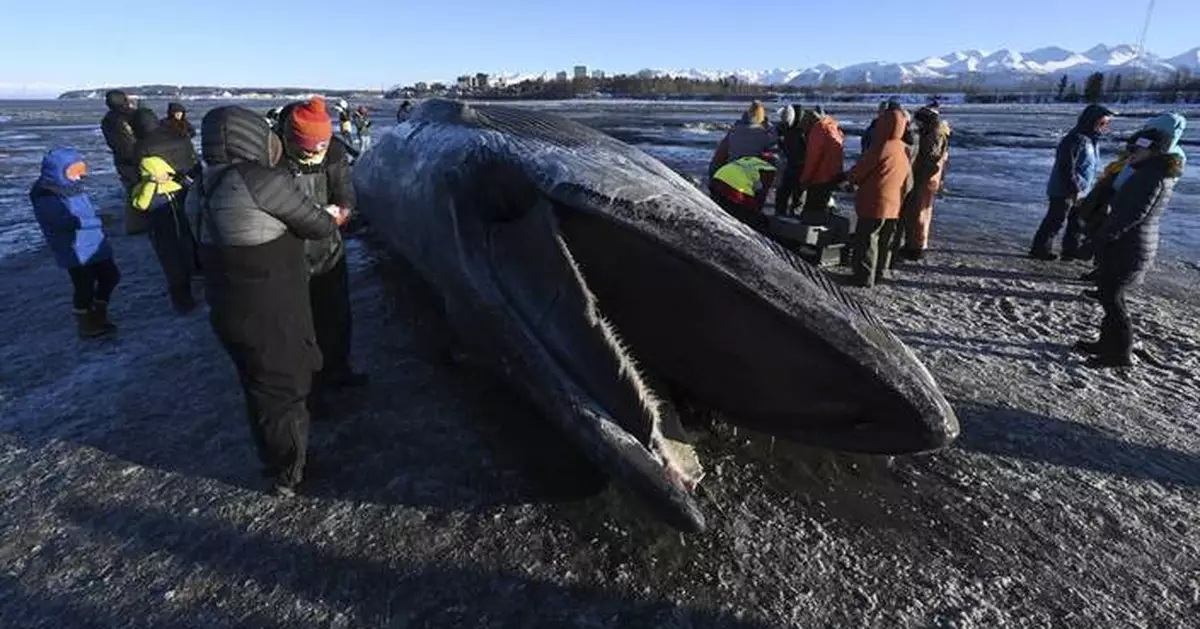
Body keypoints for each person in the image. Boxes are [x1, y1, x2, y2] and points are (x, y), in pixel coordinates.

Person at [186, 105, 344, 496]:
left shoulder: (200, 186)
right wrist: (329, 213)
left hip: (227, 304)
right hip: (270, 306)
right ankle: (289, 472)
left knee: (257, 384)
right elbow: (318, 225)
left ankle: (280, 458)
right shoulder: (261, 179)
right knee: (282, 389)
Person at [1075, 113, 1185, 368]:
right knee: (1109, 295)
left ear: (1152, 151)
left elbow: (1129, 217)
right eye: (1129, 148)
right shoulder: (1151, 172)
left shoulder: (1151, 177)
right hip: (1130, 245)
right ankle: (1107, 344)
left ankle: (1120, 353)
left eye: (1135, 149)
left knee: (1113, 301)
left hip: (1129, 248)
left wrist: (1097, 241)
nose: (1130, 153)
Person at [277, 96, 368, 393]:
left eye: (321, 148)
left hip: (328, 249)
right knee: (301, 324)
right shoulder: (273, 157)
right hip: (289, 253)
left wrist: (341, 212)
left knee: (336, 315)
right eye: (307, 150)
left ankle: (339, 370)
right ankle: (311, 386)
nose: (315, 156)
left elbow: (345, 194)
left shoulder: (335, 152)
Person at [30, 148, 120, 339]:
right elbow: (62, 221)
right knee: (84, 285)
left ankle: (98, 312)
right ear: (60, 170)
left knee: (110, 276)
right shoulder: (47, 193)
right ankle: (87, 324)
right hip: (74, 248)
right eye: (75, 170)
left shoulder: (70, 185)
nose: (81, 175)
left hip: (93, 242)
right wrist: (98, 221)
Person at [132, 111, 203, 313]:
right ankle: (199, 269)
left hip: (159, 197)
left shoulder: (142, 146)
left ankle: (182, 296)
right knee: (191, 233)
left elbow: (138, 175)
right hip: (187, 189)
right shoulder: (179, 136)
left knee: (168, 246)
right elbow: (193, 162)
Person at [1030, 104, 1115, 260]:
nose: (1105, 127)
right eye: (1103, 123)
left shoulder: (1091, 140)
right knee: (1056, 220)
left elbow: (1088, 166)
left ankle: (1071, 250)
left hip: (1083, 190)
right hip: (1064, 189)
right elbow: (1066, 166)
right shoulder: (1075, 139)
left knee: (1076, 222)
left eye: (1107, 124)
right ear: (1092, 120)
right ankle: (1040, 250)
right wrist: (1074, 189)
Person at [844, 109, 911, 288]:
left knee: (867, 240)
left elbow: (860, 171)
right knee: (884, 241)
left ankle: (863, 277)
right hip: (894, 203)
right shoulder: (904, 148)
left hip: (875, 201)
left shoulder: (882, 146)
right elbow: (908, 179)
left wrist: (848, 178)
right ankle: (880, 273)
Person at [895, 105, 951, 261]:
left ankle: (917, 248)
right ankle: (914, 244)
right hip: (926, 179)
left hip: (925, 180)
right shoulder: (934, 133)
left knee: (919, 213)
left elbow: (930, 159)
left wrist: (916, 173)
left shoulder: (934, 135)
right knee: (916, 213)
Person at [100, 89, 147, 235]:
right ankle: (142, 222)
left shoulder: (107, 120)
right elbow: (145, 130)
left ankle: (135, 224)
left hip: (121, 159)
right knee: (144, 188)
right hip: (137, 157)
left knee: (131, 190)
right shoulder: (128, 116)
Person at [797, 106, 846, 221]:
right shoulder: (833, 127)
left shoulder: (818, 130)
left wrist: (805, 180)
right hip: (833, 176)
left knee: (811, 212)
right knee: (822, 209)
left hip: (820, 178)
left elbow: (813, 159)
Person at [708, 154, 778, 233]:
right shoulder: (769, 169)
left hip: (717, 179)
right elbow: (762, 193)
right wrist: (757, 211)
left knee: (726, 204)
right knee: (754, 217)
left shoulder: (747, 160)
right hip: (735, 188)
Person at [707, 102, 778, 178]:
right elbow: (774, 148)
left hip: (732, 169)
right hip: (752, 172)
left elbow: (720, 154)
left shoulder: (734, 131)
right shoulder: (764, 134)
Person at [774, 105, 806, 216]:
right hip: (789, 164)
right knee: (782, 193)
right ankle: (779, 216)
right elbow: (778, 139)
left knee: (798, 196)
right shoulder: (783, 127)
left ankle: (795, 218)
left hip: (801, 166)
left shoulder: (803, 129)